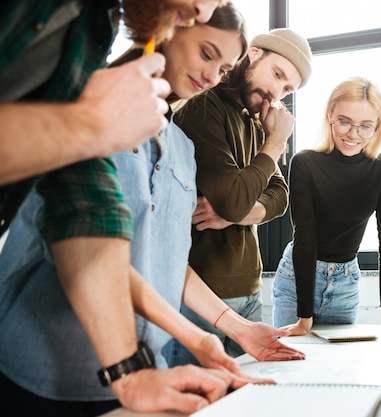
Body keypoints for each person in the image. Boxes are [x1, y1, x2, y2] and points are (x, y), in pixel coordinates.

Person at [0, 1, 247, 415]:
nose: (204, 10)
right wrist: (87, 124)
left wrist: (130, 371)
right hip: (36, 367)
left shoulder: (93, 29)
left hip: (120, 369)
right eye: (207, 53)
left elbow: (85, 210)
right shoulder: (93, 84)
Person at [164, 28, 313, 361]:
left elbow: (280, 195)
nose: (277, 92)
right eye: (277, 75)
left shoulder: (254, 121)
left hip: (251, 291)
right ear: (254, 53)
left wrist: (238, 213)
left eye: (287, 89)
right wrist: (275, 144)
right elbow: (233, 198)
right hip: (203, 297)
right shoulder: (204, 106)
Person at [272, 77, 381, 335]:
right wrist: (304, 319)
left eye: (365, 126)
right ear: (330, 115)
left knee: (337, 366)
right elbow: (305, 236)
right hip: (297, 277)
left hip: (345, 283)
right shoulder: (304, 163)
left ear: (378, 127)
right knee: (292, 365)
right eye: (344, 121)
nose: (353, 134)